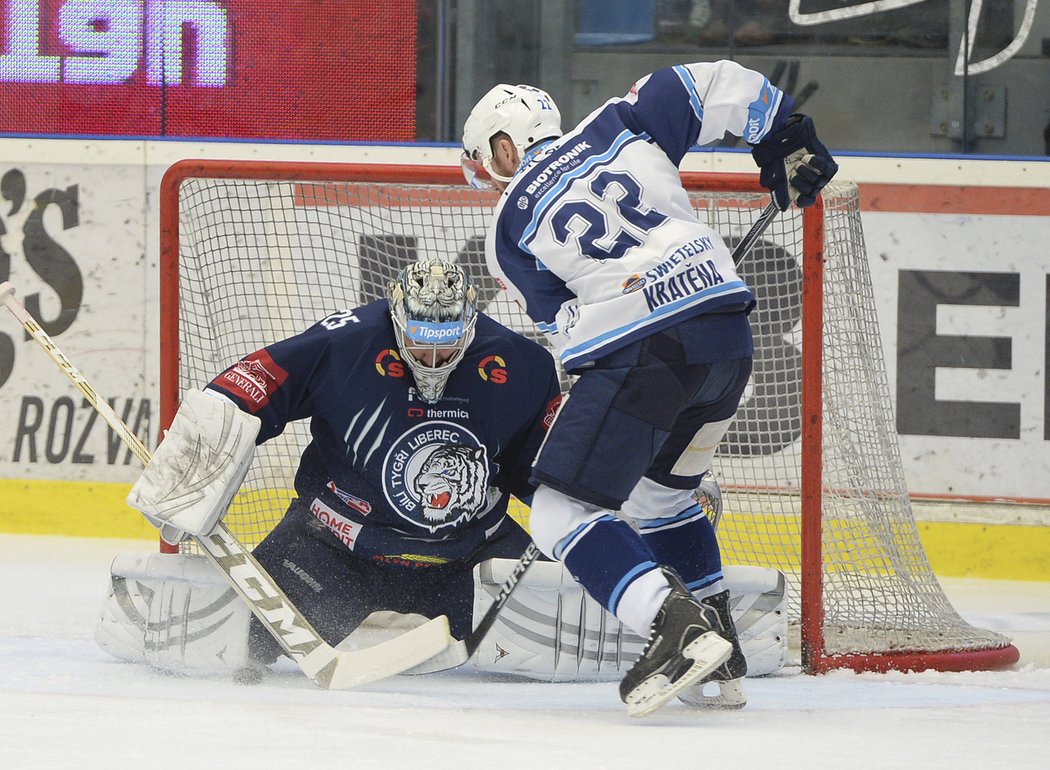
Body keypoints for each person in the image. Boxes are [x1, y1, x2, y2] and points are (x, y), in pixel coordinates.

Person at [461, 61, 837, 717]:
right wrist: (786, 135)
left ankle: (677, 631)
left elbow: (568, 330)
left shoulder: (507, 231)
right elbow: (711, 81)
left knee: (558, 513)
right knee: (662, 500)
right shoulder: (620, 122)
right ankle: (720, 656)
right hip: (726, 345)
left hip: (646, 357)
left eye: (485, 160)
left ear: (501, 146)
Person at [95, 258, 563, 677]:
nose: (432, 360)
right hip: (331, 552)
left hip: (469, 558)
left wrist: (588, 513)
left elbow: (540, 471)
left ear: (469, 325)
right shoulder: (347, 340)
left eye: (445, 345)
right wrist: (190, 462)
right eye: (420, 345)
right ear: (396, 320)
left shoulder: (523, 364)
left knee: (581, 623)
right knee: (203, 643)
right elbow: (245, 389)